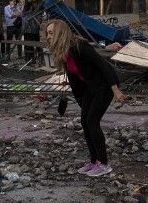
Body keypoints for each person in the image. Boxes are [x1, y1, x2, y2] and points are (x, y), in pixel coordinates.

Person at [45, 19, 127, 177]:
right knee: (85, 121)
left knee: (92, 121)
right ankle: (94, 161)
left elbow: (103, 65)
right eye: (47, 33)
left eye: (51, 33)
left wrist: (115, 90)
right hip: (91, 88)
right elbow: (76, 77)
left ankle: (104, 164)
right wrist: (81, 101)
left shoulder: (78, 46)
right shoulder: (65, 50)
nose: (48, 36)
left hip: (104, 86)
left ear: (60, 33)